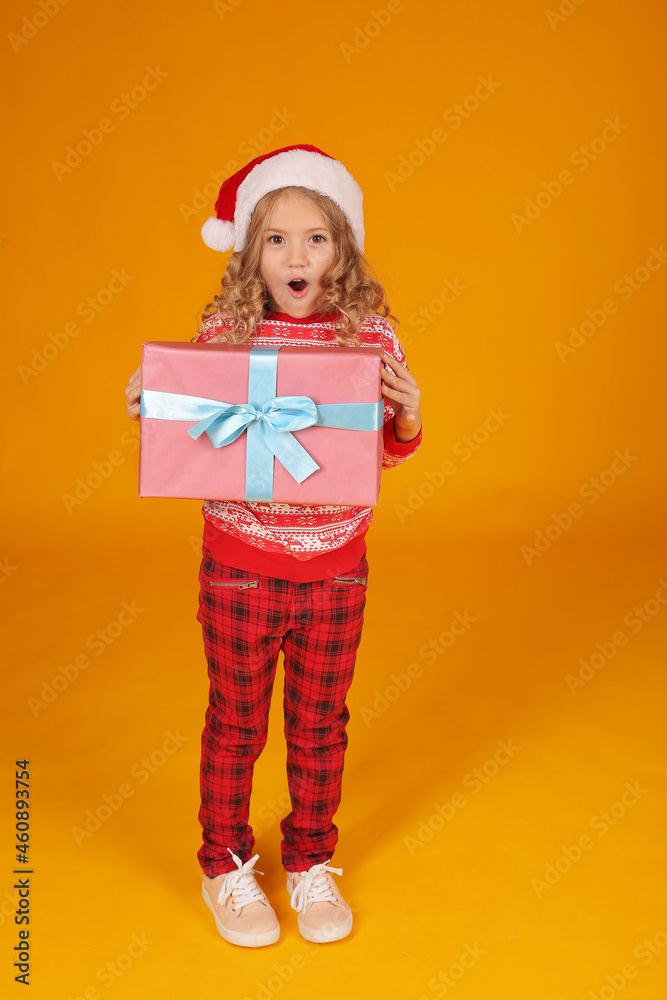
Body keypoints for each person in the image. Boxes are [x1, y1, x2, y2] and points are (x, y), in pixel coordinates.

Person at [125, 144, 422, 948]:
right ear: (251, 251)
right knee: (236, 723)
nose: (298, 256)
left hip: (335, 572)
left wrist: (407, 417)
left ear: (344, 248)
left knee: (320, 724)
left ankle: (309, 860)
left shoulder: (372, 337)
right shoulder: (225, 332)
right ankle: (224, 864)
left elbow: (382, 456)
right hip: (238, 570)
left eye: (317, 237)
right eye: (278, 238)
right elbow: (195, 438)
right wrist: (154, 406)